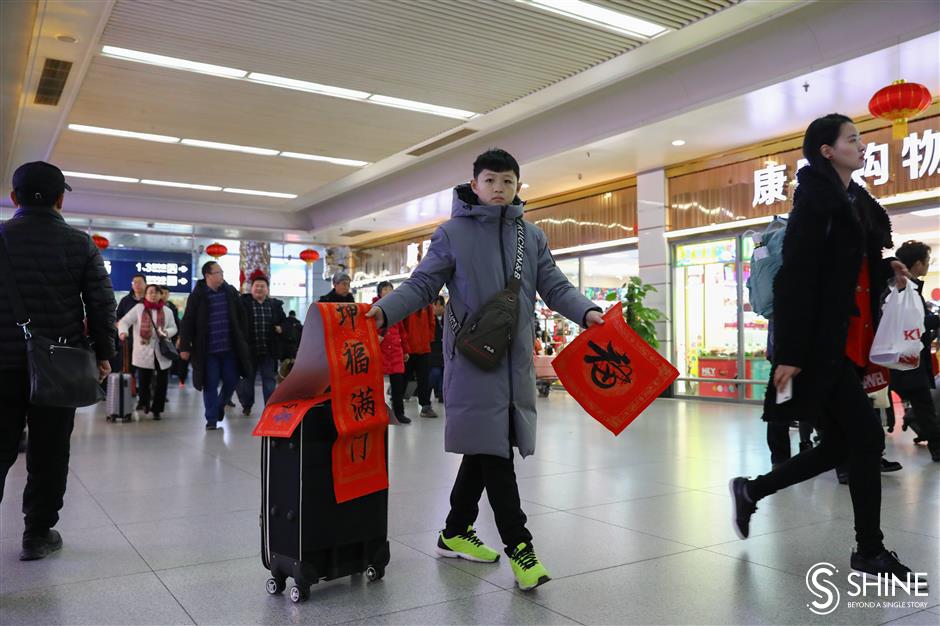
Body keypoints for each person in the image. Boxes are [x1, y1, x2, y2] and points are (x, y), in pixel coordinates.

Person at [367, 148, 604, 591]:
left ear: (518, 186)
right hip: (474, 361)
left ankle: (455, 530)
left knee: (486, 447)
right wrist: (383, 312)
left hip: (514, 364)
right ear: (474, 185)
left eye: (507, 182)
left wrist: (587, 312)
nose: (499, 189)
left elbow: (554, 285)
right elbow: (422, 285)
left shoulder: (530, 237)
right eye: (490, 181)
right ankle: (521, 547)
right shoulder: (452, 233)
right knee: (496, 454)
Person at [730, 114, 926, 588]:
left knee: (844, 443)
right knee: (865, 439)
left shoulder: (851, 201)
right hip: (821, 348)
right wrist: (792, 353)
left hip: (850, 340)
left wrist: (887, 269)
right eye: (852, 140)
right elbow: (796, 280)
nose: (862, 146)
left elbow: (847, 271)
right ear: (825, 150)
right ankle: (870, 550)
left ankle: (753, 490)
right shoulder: (814, 205)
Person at [0, 161, 115, 561]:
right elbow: (101, 304)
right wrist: (104, 355)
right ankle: (37, 534)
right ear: (60, 199)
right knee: (50, 452)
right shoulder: (79, 243)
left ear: (13, 198)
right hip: (58, 365)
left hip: (1, 366)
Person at [178, 261, 251, 430]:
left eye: (222, 272)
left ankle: (219, 406)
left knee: (232, 380)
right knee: (210, 384)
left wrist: (242, 338)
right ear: (208, 275)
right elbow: (187, 321)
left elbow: (242, 315)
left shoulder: (230, 292)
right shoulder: (198, 295)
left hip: (229, 350)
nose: (222, 275)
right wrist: (184, 347)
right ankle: (211, 419)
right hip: (207, 351)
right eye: (218, 272)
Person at [889, 240, 940, 461]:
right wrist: (935, 320)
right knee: (923, 402)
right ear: (918, 264)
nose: (928, 265)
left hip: (902, 358)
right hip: (906, 358)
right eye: (927, 261)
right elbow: (910, 323)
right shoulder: (903, 288)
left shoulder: (902, 287)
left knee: (922, 402)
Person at [118, 284, 177, 420]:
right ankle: (144, 402)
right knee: (144, 380)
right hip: (143, 350)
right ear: (146, 295)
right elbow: (124, 322)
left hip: (162, 350)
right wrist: (123, 333)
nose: (153, 295)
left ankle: (157, 409)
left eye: (157, 292)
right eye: (150, 292)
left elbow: (174, 327)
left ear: (161, 295)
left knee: (162, 381)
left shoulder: (167, 311)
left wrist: (166, 332)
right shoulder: (139, 309)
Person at [236, 273, 286, 415]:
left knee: (269, 381)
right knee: (247, 381)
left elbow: (285, 322)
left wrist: (281, 328)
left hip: (269, 351)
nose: (259, 289)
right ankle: (247, 404)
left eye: (262, 286)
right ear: (251, 288)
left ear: (267, 289)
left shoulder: (275, 305)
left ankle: (269, 407)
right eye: (256, 286)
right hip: (248, 351)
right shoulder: (243, 304)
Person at [374, 282, 411, 424]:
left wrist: (405, 350)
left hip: (395, 351)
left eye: (390, 289)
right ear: (379, 292)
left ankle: (399, 413)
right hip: (380, 351)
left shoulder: (397, 309)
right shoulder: (373, 308)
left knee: (398, 385)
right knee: (377, 385)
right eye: (385, 289)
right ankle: (378, 413)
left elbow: (402, 331)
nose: (388, 291)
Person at [403, 302, 438, 418]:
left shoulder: (426, 305)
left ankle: (425, 405)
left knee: (424, 379)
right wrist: (404, 346)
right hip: (409, 348)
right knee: (403, 377)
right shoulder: (407, 304)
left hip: (423, 348)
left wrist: (429, 340)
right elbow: (403, 326)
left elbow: (432, 323)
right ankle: (397, 404)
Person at [113, 273, 147, 385]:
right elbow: (117, 318)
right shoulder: (125, 300)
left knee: (145, 368)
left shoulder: (149, 300)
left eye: (139, 282)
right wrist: (122, 328)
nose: (136, 285)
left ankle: (145, 392)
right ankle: (129, 390)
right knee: (127, 367)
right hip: (128, 340)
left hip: (145, 341)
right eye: (134, 282)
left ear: (145, 284)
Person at [429, 295, 446, 403]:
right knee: (435, 372)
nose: (438, 307)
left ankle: (441, 393)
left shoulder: (447, 319)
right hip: (432, 351)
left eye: (441, 305)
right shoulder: (430, 320)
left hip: (443, 351)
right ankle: (428, 391)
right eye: (435, 305)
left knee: (443, 373)